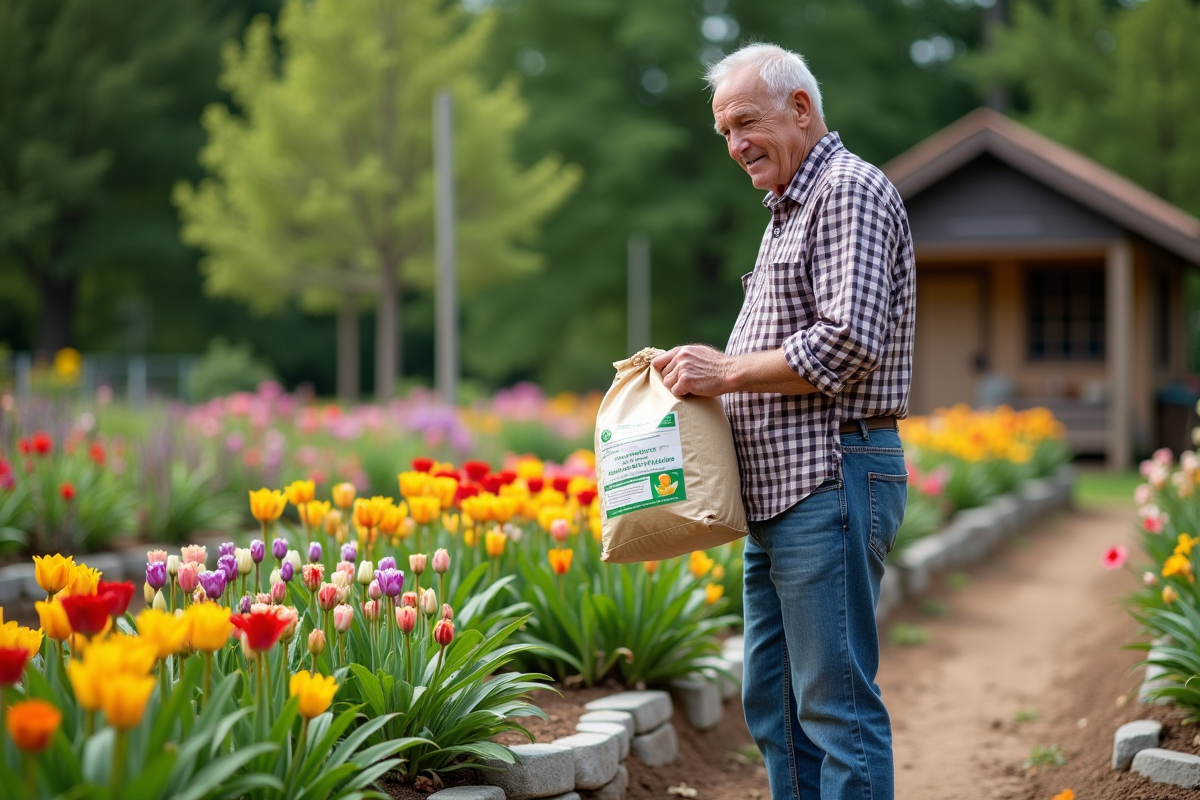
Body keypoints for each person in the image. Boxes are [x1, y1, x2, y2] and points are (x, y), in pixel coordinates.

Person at [651, 43, 915, 800]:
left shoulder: (847, 190)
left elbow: (849, 340)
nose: (735, 146)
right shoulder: (791, 208)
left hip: (829, 481)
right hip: (782, 499)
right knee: (773, 706)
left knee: (836, 709)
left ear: (801, 109)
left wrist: (725, 370)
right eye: (724, 133)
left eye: (745, 124)